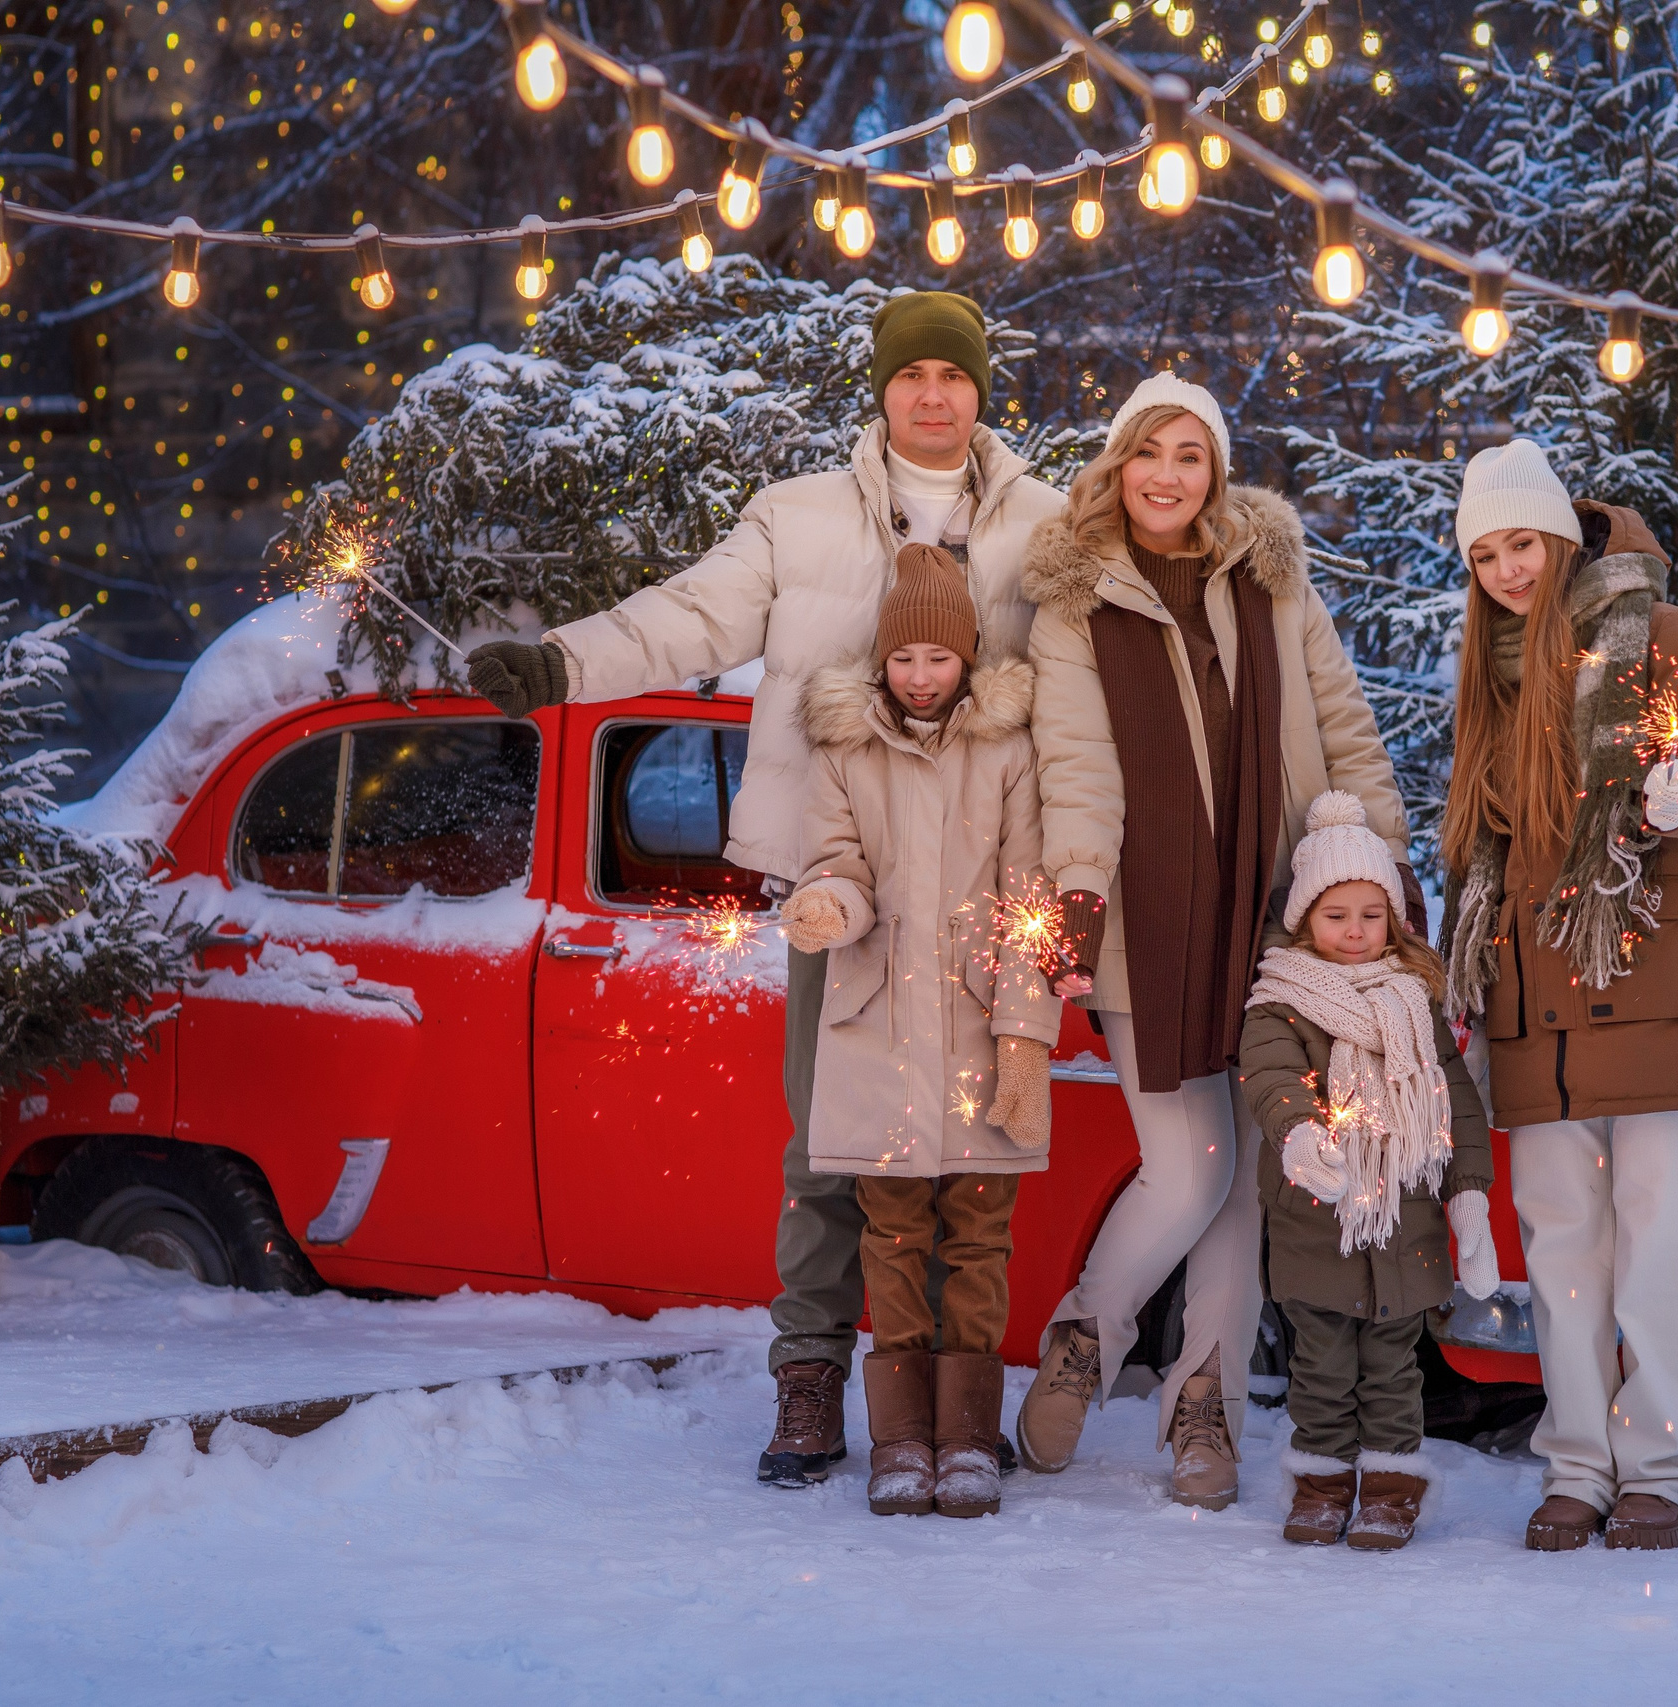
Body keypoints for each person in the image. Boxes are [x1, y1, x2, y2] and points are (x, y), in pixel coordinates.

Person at [464, 292, 1066, 1488]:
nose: (932, 397)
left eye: (953, 377)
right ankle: (809, 1379)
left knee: (977, 1154)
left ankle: (951, 1399)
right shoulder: (796, 519)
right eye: (911, 378)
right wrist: (562, 662)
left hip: (991, 892)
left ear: (981, 391)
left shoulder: (1046, 528)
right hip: (835, 887)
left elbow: (1098, 687)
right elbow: (693, 616)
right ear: (882, 391)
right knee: (832, 1148)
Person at [1010, 371, 1413, 1509]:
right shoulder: (1075, 600)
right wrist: (1078, 895)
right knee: (1189, 1171)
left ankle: (1207, 1412)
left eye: (1190, 455)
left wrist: (1380, 868)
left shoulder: (1273, 582)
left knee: (1246, 1184)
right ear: (1116, 466)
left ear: (1216, 472)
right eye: (1149, 452)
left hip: (1272, 916)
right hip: (1151, 920)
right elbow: (1077, 768)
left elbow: (1342, 725)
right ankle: (1084, 1339)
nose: (1168, 476)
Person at [1435, 440, 1678, 1554]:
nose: (1507, 570)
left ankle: (1659, 1467)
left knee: (1660, 1240)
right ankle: (1576, 1462)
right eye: (1483, 554)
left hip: (1649, 973)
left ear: (1561, 535)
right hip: (1534, 996)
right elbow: (1474, 848)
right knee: (1562, 1250)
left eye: (1520, 543)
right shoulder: (1488, 667)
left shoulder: (1654, 635)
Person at [776, 545, 1058, 1520]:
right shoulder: (845, 750)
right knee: (893, 1235)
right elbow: (837, 862)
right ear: (883, 663)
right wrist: (828, 906)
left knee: (978, 1237)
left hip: (980, 1029)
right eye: (905, 660)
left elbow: (1031, 897)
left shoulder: (1010, 752)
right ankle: (901, 1434)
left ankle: (968, 1434)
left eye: (940, 659)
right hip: (880, 1028)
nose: (922, 677)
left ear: (968, 659)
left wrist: (1025, 1032)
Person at [1236, 792, 1498, 1550]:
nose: (1354, 931)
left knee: (1393, 1372)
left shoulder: (1412, 1004)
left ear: (1393, 919)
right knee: (1319, 1370)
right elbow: (1270, 1077)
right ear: (1306, 921)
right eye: (1336, 914)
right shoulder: (1281, 1002)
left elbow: (1456, 1106)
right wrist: (1296, 1135)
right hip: (1315, 1222)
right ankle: (1320, 1484)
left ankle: (1388, 1487)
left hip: (1405, 1228)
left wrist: (1469, 1196)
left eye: (1370, 914)